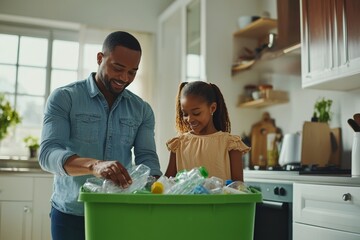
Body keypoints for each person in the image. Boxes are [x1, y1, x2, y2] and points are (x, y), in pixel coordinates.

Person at [39, 31, 162, 240]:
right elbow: (48, 154)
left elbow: (147, 158)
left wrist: (157, 184)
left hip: (119, 212)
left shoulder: (142, 110)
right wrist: (94, 166)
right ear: (99, 58)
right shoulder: (64, 98)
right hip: (70, 214)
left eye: (132, 72)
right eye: (118, 68)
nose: (124, 78)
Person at [165, 81, 250, 181]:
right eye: (185, 114)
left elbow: (238, 187)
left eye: (196, 113)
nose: (189, 119)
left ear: (212, 108)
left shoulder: (230, 144)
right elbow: (167, 183)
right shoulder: (179, 143)